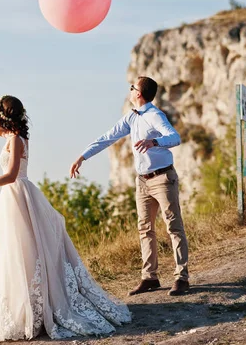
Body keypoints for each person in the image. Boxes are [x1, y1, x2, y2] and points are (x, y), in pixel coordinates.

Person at [0, 95, 131, 342]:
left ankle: (34, 312)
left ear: (3, 114)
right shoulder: (15, 136)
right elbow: (0, 133)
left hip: (17, 194)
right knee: (17, 253)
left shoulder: (16, 139)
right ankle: (25, 308)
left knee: (25, 252)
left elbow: (11, 175)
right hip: (15, 197)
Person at [69, 76, 190, 297]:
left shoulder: (154, 115)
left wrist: (154, 142)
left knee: (173, 227)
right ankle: (149, 277)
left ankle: (181, 277)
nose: (129, 89)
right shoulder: (132, 118)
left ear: (138, 94)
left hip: (163, 179)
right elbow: (108, 137)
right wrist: (82, 157)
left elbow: (175, 137)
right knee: (145, 229)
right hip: (142, 181)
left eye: (132, 87)